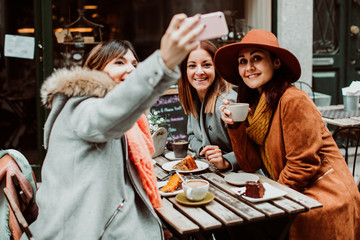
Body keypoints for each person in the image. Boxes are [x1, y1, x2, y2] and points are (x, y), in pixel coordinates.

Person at [22, 14, 205, 240]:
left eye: (135, 64)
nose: (131, 69)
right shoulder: (82, 107)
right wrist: (163, 63)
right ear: (95, 70)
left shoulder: (123, 118)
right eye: (119, 62)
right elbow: (107, 116)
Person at [215, 29, 360, 240]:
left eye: (257, 58)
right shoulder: (255, 107)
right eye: (242, 61)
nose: (249, 67)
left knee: (242, 225)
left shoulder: (293, 100)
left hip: (324, 198)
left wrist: (267, 198)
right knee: (232, 222)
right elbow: (249, 163)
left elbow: (302, 166)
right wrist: (235, 126)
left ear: (276, 63)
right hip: (294, 192)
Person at [178, 40, 238, 170]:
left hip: (244, 179)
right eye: (192, 66)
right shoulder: (194, 99)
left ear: (216, 68)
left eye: (206, 65)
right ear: (185, 71)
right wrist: (204, 150)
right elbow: (191, 135)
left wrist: (226, 160)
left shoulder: (227, 103)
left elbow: (252, 150)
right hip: (213, 173)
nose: (199, 72)